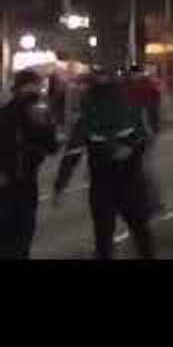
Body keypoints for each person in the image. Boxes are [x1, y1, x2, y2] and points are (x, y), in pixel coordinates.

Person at [54, 68, 155, 260]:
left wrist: (60, 186)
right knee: (140, 234)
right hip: (127, 183)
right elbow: (145, 138)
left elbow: (72, 155)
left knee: (105, 238)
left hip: (106, 185)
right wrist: (131, 148)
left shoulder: (89, 116)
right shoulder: (128, 108)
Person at [0, 70, 59, 259]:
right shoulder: (8, 114)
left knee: (21, 239)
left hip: (26, 184)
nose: (37, 91)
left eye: (38, 86)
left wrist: (44, 125)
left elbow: (51, 147)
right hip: (8, 185)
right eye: (32, 86)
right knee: (12, 240)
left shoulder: (39, 112)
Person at [124, 65, 164, 216]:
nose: (134, 77)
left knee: (144, 168)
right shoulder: (130, 88)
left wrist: (151, 131)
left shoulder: (147, 89)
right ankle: (141, 201)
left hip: (145, 133)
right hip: (134, 133)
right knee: (136, 169)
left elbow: (150, 113)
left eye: (136, 74)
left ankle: (153, 202)